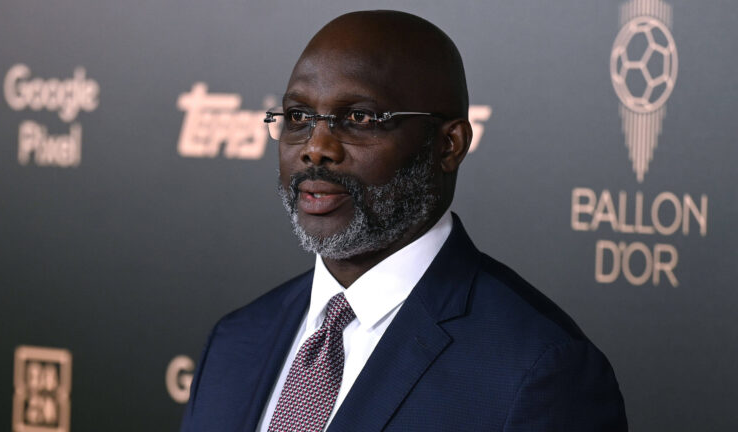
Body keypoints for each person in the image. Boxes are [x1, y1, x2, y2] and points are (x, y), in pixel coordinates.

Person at [181, 10, 627, 432]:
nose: (315, 148)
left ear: (449, 145)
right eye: (298, 117)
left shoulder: (537, 370)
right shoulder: (236, 340)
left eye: (359, 117)